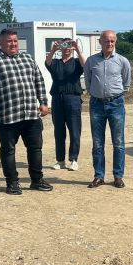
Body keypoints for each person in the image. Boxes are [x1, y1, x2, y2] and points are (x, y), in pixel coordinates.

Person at [0, 29, 53, 194]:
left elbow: (38, 80)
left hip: (31, 114)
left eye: (15, 41)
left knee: (35, 148)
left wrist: (43, 102)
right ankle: (12, 182)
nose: (13, 44)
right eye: (9, 41)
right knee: (8, 150)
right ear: (1, 42)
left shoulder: (27, 58)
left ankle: (37, 180)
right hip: (7, 115)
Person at [84, 30, 131, 188]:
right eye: (106, 41)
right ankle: (99, 176)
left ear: (115, 42)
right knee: (97, 143)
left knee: (118, 143)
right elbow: (88, 82)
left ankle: (118, 176)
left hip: (116, 104)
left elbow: (126, 83)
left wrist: (114, 95)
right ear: (100, 42)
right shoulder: (91, 61)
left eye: (112, 41)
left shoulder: (122, 61)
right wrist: (96, 93)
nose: (109, 44)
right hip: (96, 105)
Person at [44, 37, 86, 171]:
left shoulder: (76, 62)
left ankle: (73, 159)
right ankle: (60, 160)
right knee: (59, 131)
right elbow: (47, 63)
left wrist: (78, 50)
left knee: (74, 130)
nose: (66, 48)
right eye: (64, 45)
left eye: (69, 45)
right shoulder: (56, 62)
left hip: (73, 98)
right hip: (57, 98)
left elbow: (85, 65)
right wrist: (53, 50)